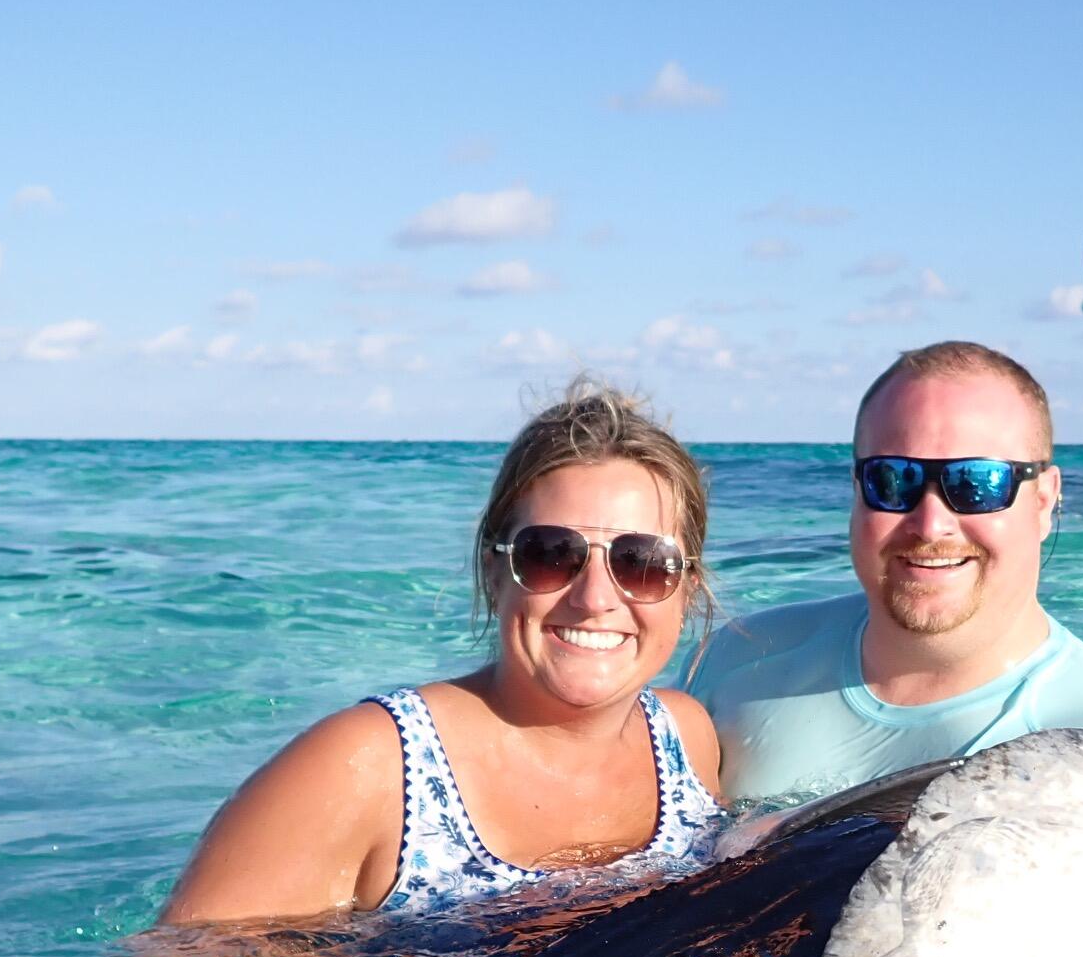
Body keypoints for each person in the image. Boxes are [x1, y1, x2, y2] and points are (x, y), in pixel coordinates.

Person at [161, 380, 723, 925]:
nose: (595, 597)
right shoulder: (368, 765)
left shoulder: (685, 738)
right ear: (493, 569)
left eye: (642, 562)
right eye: (551, 553)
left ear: (689, 586)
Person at [690, 341, 1083, 804]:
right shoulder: (737, 655)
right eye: (893, 479)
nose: (931, 523)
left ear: (1043, 500)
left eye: (977, 482)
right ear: (857, 489)